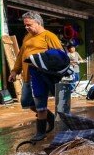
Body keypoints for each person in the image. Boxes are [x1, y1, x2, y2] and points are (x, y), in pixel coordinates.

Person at [9, 11, 63, 142]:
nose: (27, 27)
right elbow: (21, 55)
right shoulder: (27, 37)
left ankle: (40, 132)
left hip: (41, 76)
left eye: (29, 25)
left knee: (40, 104)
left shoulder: (49, 36)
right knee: (26, 103)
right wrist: (15, 71)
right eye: (25, 25)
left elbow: (60, 55)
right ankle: (49, 118)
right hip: (27, 76)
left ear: (38, 23)